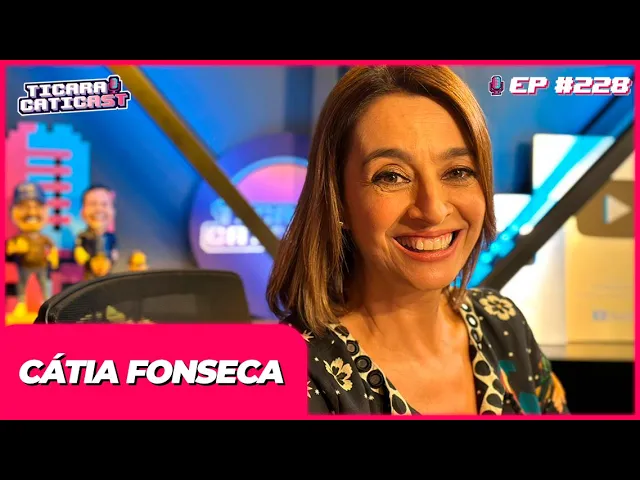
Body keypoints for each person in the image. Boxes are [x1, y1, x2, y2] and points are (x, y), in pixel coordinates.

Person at [266, 66, 569, 415]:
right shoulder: (290, 375)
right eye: (392, 176)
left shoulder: (502, 323)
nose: (433, 210)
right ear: (338, 200)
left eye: (457, 172)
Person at [6, 182, 59, 317]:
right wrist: (14, 248)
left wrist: (53, 256)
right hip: (24, 266)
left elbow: (52, 248)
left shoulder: (44, 238)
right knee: (21, 285)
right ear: (13, 211)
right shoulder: (18, 238)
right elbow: (10, 249)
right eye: (24, 206)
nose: (31, 212)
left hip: (41, 266)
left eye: (37, 206)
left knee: (44, 284)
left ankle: (47, 305)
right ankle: (21, 304)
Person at [74, 184, 119, 280]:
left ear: (113, 211)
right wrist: (88, 260)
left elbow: (113, 253)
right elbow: (79, 253)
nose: (98, 209)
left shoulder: (110, 237)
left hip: (106, 273)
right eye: (92, 204)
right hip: (89, 274)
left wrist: (110, 260)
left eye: (104, 204)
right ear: (82, 211)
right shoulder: (83, 236)